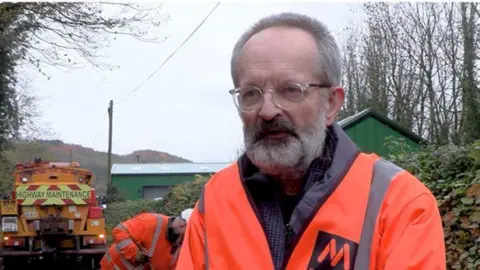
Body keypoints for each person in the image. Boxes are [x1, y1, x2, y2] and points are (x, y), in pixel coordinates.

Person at [177, 12, 446, 270]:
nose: (267, 110)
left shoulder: (399, 203)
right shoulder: (215, 198)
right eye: (251, 93)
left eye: (291, 90)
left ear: (331, 103)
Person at [101, 208, 193, 270]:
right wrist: (134, 254)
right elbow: (119, 231)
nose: (189, 237)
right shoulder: (151, 222)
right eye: (189, 232)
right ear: (182, 225)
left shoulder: (181, 246)